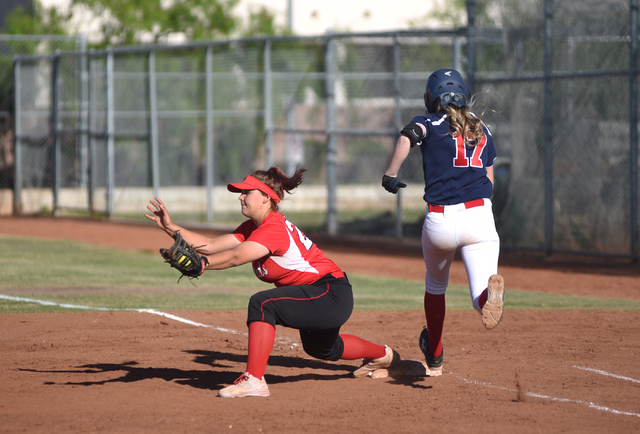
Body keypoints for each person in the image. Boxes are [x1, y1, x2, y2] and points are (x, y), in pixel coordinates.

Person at [145, 166, 399, 398]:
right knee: (322, 349)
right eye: (240, 193)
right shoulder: (253, 227)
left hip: (330, 291)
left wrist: (203, 265)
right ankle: (383, 355)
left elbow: (235, 257)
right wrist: (170, 227)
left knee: (263, 304)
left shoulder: (273, 227)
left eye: (247, 192)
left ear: (266, 197)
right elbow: (210, 246)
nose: (240, 196)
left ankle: (254, 379)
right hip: (323, 293)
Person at [381, 68, 505, 377]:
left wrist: (391, 173)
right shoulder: (481, 127)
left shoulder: (429, 121)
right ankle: (487, 299)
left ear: (430, 97)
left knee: (436, 286)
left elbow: (408, 137)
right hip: (479, 213)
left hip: (439, 219)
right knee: (481, 291)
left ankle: (434, 353)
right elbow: (488, 177)